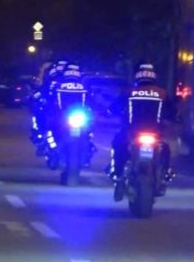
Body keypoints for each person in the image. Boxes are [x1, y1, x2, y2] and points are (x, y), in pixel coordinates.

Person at [107, 62, 174, 201]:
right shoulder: (162, 93)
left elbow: (114, 108)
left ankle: (118, 176)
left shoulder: (129, 92)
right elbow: (172, 112)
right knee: (165, 151)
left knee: (118, 145)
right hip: (155, 133)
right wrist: (174, 119)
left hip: (132, 132)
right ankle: (164, 177)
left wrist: (111, 113)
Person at [43, 62, 95, 166]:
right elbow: (49, 99)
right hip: (64, 116)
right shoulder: (83, 86)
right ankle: (53, 152)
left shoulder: (58, 85)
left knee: (88, 132)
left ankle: (87, 152)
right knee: (51, 129)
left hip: (73, 116)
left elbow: (91, 101)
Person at [30, 59, 67, 154]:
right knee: (43, 119)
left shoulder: (73, 80)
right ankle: (43, 141)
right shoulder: (50, 79)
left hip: (67, 108)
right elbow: (42, 88)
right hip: (52, 106)